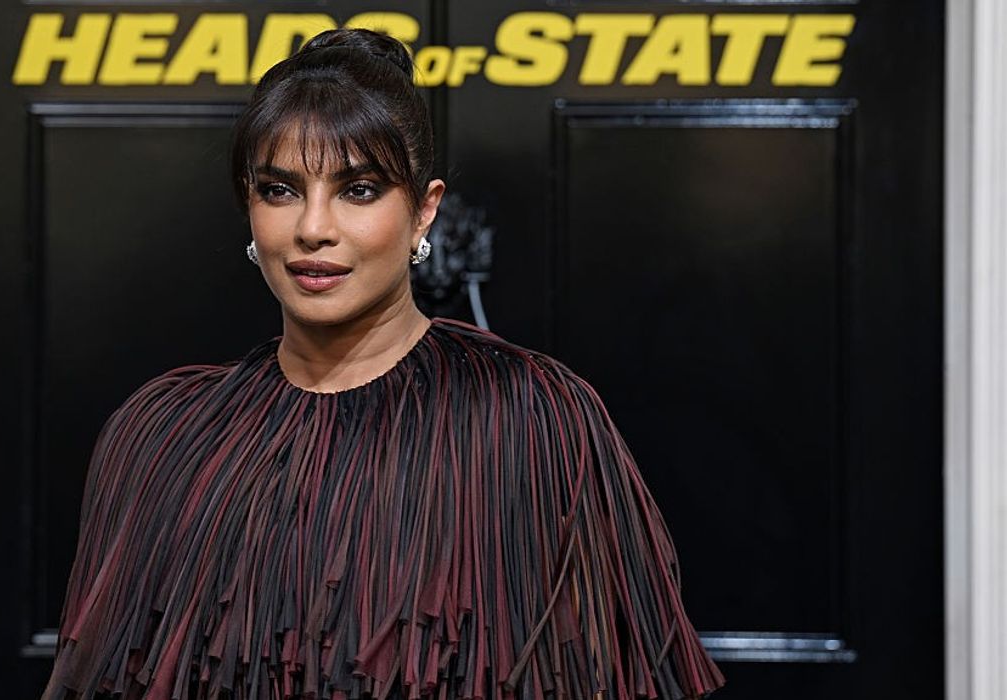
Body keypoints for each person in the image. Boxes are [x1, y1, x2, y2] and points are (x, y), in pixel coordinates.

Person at [41, 27, 725, 700]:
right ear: (246, 208)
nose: (313, 227)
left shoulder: (532, 417)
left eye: (358, 189)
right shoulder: (160, 436)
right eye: (279, 190)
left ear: (423, 211)